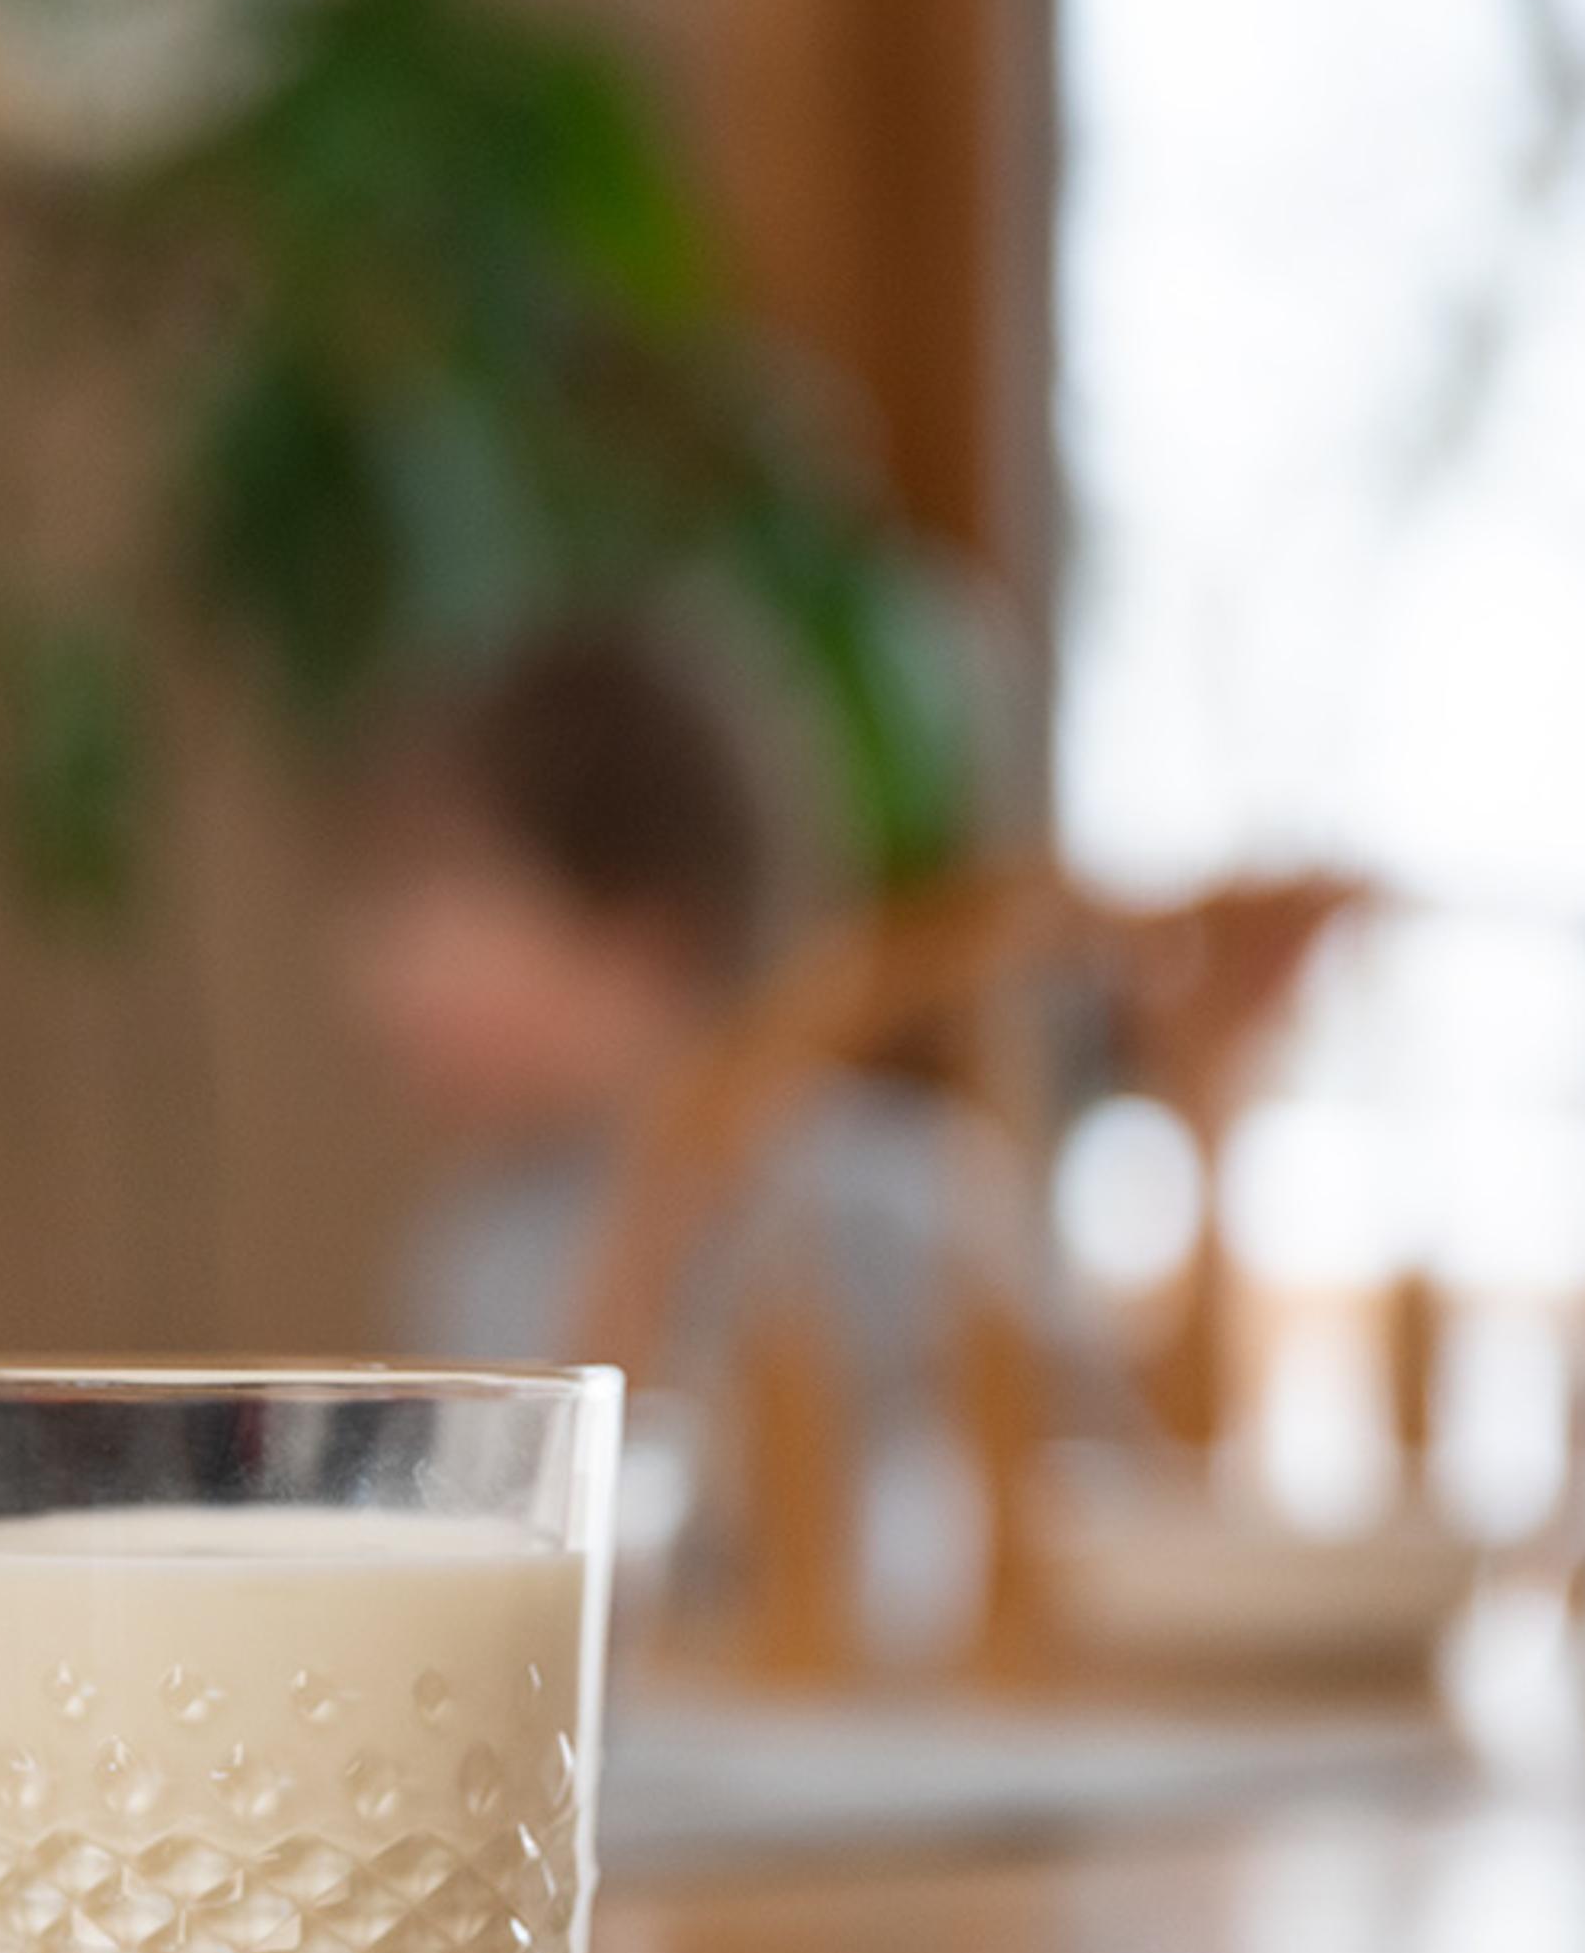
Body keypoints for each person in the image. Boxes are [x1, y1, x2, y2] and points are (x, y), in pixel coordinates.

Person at [348, 620, 1097, 1661]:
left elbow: (1081, 1492)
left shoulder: (904, 1197)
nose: (383, 978)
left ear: (638, 939)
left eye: (444, 899)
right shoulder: (480, 1248)